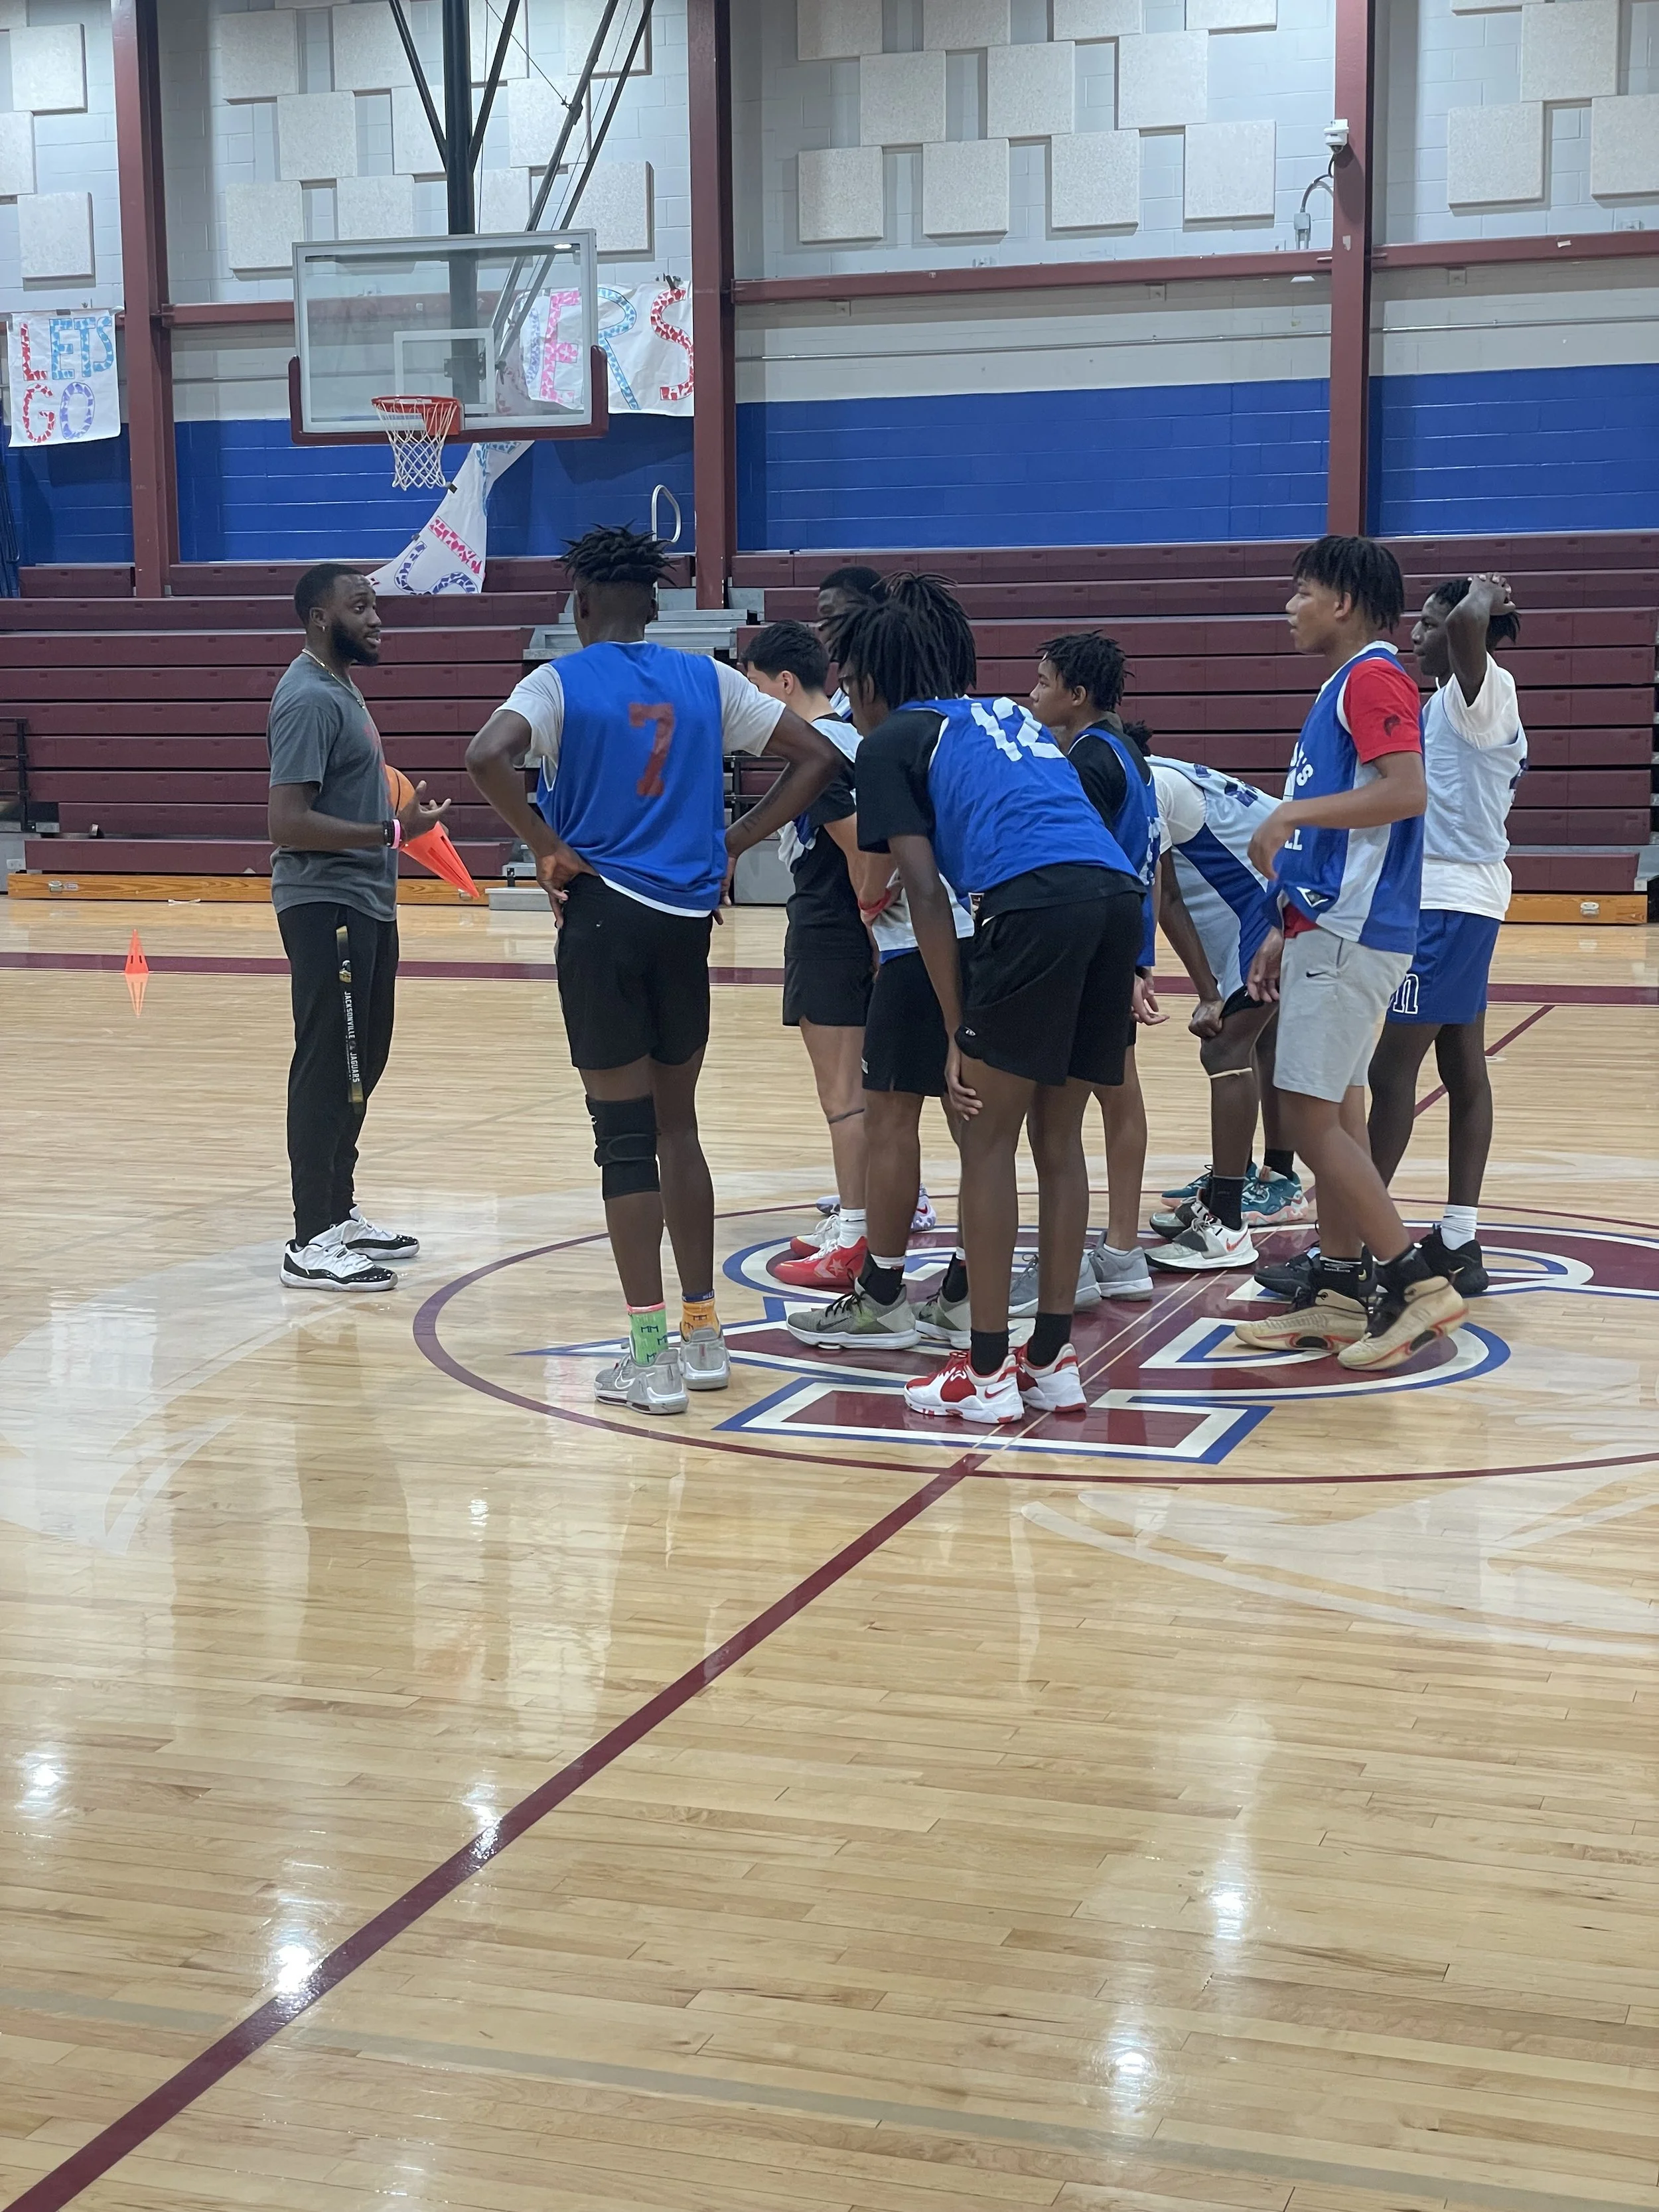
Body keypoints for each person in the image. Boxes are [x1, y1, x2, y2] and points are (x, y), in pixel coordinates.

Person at [467, 524, 840, 1414]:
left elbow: (486, 755)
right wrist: (732, 844)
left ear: (581, 605)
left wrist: (546, 848)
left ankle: (648, 1354)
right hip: (684, 927)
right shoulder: (707, 677)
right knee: (680, 1129)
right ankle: (704, 1334)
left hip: (602, 922)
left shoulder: (556, 680)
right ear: (656, 606)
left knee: (622, 1141)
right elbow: (819, 758)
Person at [847, 575, 1147, 1422]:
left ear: (872, 676)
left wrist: (955, 1028)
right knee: (1060, 1140)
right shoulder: (1010, 718)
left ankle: (982, 1376)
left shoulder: (892, 741)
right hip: (1111, 901)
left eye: (849, 677)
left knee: (985, 1137)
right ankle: (1050, 1362)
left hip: (1033, 905)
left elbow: (925, 896)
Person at [1231, 534, 1466, 1371]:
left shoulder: (1372, 675)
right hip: (1324, 925)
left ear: (1339, 600)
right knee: (1339, 1108)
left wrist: (1291, 817)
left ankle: (1413, 1282)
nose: (1287, 608)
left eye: (1299, 593)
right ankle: (1336, 1296)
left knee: (1303, 1114)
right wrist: (1276, 923)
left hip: (1352, 930)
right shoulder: (1345, 683)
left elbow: (1404, 791)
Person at [785, 591, 979, 1358]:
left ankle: (883, 1293)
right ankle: (971, 1289)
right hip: (1007, 932)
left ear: (868, 683)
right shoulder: (983, 727)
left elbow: (878, 882)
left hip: (921, 951)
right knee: (983, 1129)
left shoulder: (887, 744)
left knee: (893, 1119)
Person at [268, 562, 445, 1291]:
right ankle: (311, 1241)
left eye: (375, 606)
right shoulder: (307, 696)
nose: (377, 619)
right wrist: (387, 830)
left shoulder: (342, 690)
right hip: (325, 903)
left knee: (360, 1064)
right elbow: (287, 821)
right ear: (320, 617)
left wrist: (397, 832)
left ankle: (338, 1214)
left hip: (366, 901)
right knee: (329, 1064)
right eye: (361, 606)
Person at [1365, 574, 1524, 1296]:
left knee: (1389, 1069)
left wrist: (1483, 594)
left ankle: (1359, 1245)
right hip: (1458, 898)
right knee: (1460, 1064)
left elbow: (1466, 626)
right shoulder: (1452, 702)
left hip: (1450, 903)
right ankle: (1458, 1241)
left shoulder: (1481, 692)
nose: (1415, 635)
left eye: (1426, 624)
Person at [737, 620, 890, 1293]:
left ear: (784, 683)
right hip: (849, 930)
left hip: (832, 929)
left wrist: (868, 924)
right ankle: (858, 1220)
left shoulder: (820, 749)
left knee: (843, 1095)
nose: (751, 702)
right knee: (861, 1092)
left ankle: (855, 1233)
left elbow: (862, 848)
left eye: (754, 687)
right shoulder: (854, 737)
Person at [1021, 634, 1161, 1306]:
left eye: (1043, 682)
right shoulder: (1130, 753)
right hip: (1121, 939)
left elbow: (1080, 865)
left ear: (1076, 696)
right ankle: (1123, 1251)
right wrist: (1139, 958)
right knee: (1118, 1092)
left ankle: (1065, 1263)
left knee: (1056, 1113)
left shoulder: (1086, 763)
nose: (1032, 693)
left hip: (1088, 944)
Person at [1145, 753, 1310, 1270]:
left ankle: (1227, 1220)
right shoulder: (1151, 768)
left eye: (1043, 681)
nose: (1035, 696)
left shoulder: (1145, 786)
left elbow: (1164, 897)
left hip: (1265, 906)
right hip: (1270, 895)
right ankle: (1269, 1181)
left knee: (1225, 1047)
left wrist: (1208, 992)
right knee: (1264, 1038)